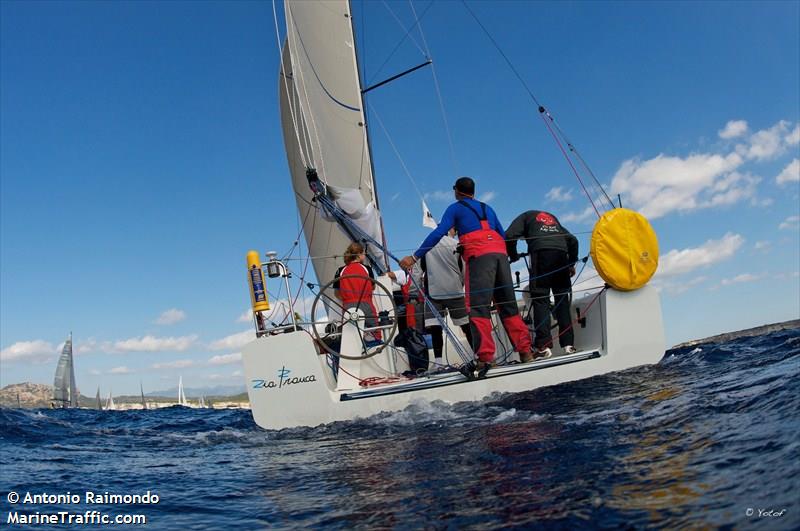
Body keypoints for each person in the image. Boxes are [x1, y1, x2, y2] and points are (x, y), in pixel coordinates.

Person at [400, 177, 533, 374]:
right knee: (508, 307)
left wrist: (414, 256)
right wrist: (509, 257)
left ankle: (486, 359)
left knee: (478, 309)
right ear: (473, 191)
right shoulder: (488, 208)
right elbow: (502, 234)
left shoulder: (455, 208)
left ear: (457, 191)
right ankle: (526, 352)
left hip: (479, 257)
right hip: (500, 254)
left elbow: (439, 233)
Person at [506, 210, 579, 357]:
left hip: (541, 254)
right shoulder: (552, 218)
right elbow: (573, 241)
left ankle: (544, 347)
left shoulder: (525, 217)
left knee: (540, 300)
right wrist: (571, 263)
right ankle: (569, 346)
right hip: (561, 256)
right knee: (562, 301)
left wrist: (513, 255)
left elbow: (509, 236)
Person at [420, 228, 473, 368]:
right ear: (450, 231)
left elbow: (422, 268)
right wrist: (461, 284)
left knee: (435, 328)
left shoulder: (427, 244)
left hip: (434, 292)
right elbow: (463, 268)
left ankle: (438, 363)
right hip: (455, 291)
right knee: (466, 325)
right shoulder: (455, 244)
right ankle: (478, 355)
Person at [333, 242, 380, 340]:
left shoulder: (340, 270)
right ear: (359, 254)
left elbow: (336, 293)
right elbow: (373, 287)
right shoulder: (367, 269)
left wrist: (347, 298)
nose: (364, 255)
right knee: (375, 330)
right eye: (363, 253)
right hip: (366, 304)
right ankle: (378, 346)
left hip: (348, 306)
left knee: (351, 335)